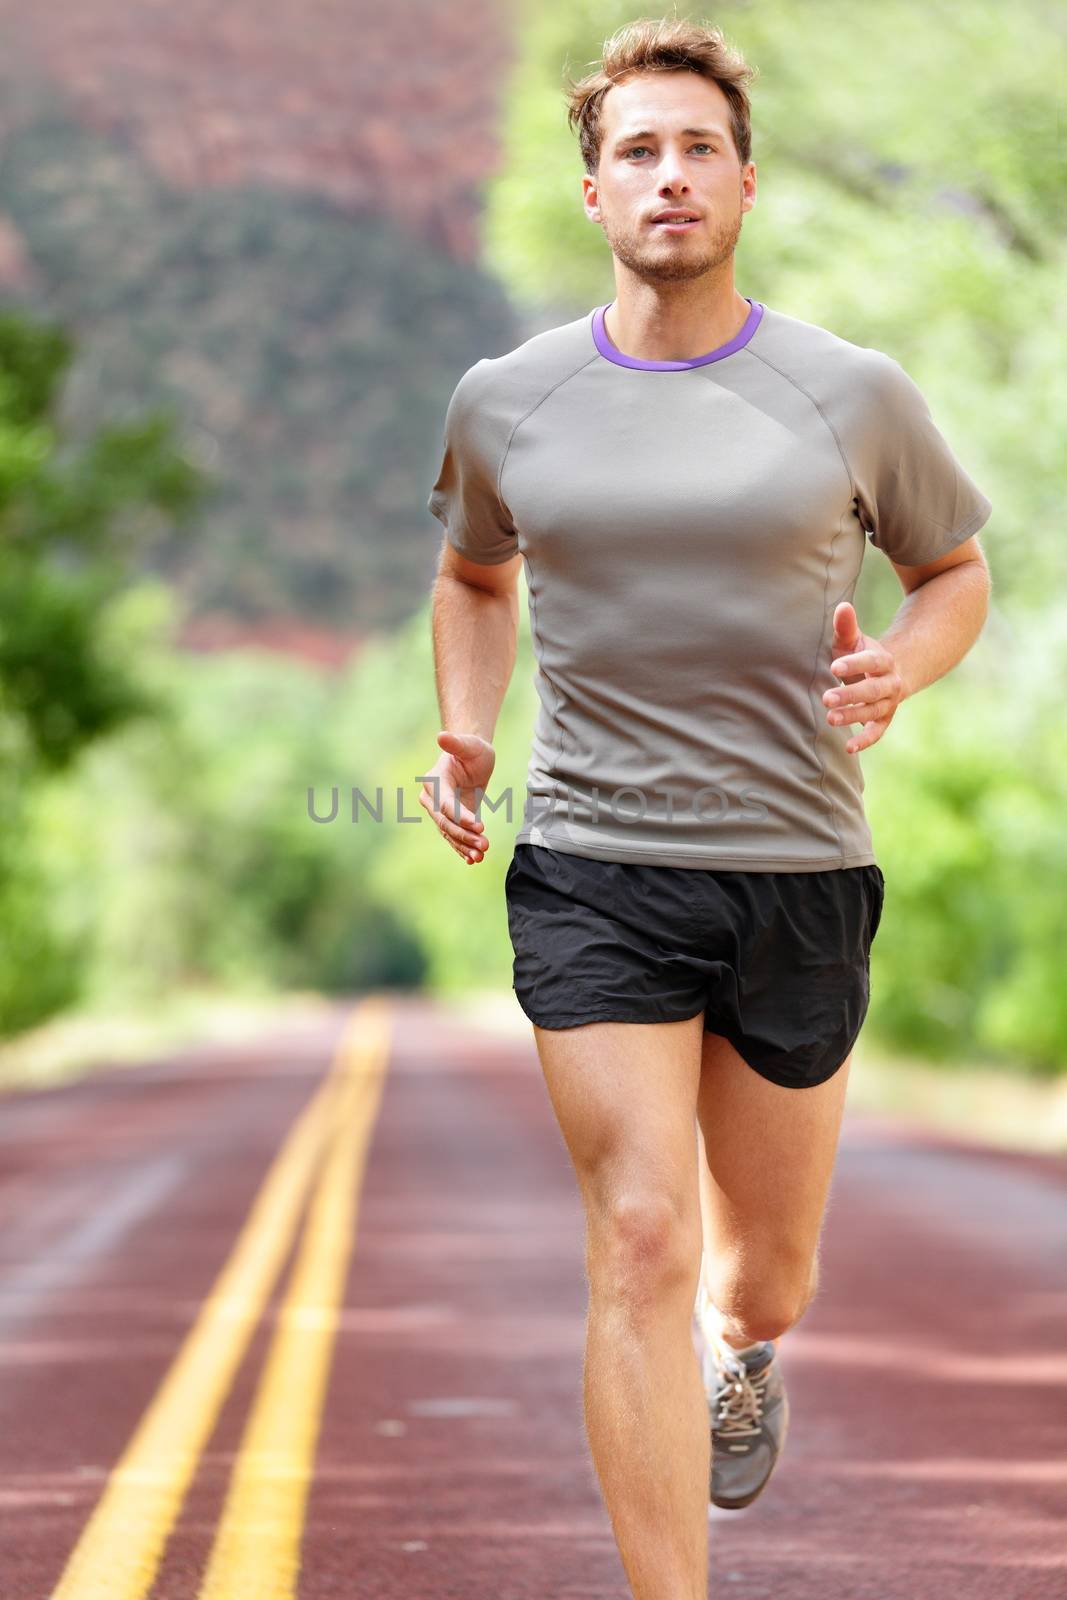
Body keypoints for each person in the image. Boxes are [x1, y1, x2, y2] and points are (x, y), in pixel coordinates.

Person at [421, 16, 992, 1599]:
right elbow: (474, 575)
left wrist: (902, 670)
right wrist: (468, 732)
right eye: (637, 152)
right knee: (643, 1238)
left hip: (799, 870)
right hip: (596, 869)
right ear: (593, 194)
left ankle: (745, 1354)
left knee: (763, 1276)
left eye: (698, 149)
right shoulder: (509, 401)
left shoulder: (850, 395)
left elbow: (953, 575)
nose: (669, 176)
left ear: (744, 186)